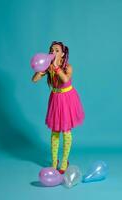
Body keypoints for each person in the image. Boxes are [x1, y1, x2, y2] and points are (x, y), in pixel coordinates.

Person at [32, 41, 85, 174]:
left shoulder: (68, 66)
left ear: (62, 53)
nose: (53, 52)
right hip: (55, 98)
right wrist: (41, 70)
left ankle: (64, 161)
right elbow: (34, 80)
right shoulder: (48, 66)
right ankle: (54, 161)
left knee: (66, 131)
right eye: (51, 50)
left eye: (56, 50)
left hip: (67, 98)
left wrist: (56, 67)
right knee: (55, 131)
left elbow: (66, 80)